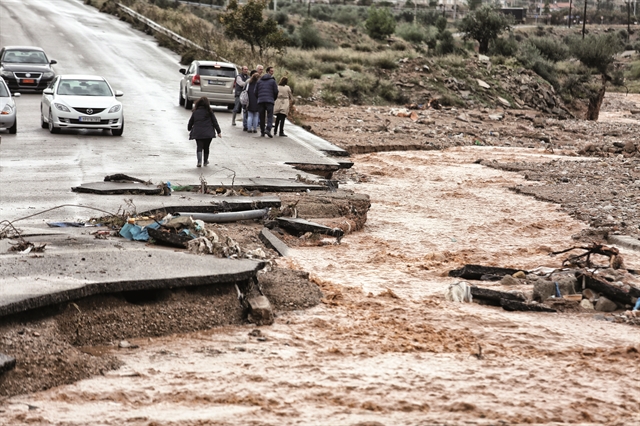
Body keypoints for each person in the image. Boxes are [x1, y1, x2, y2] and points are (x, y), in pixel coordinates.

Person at [187, 97, 221, 167]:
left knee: (199, 146)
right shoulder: (209, 112)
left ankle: (199, 161)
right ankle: (205, 161)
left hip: (198, 132)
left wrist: (189, 128)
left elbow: (191, 121)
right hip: (208, 133)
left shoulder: (195, 112)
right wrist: (219, 131)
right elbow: (215, 122)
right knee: (206, 147)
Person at [255, 66, 278, 138]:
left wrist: (259, 98)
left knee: (261, 116)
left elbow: (255, 91)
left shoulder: (259, 81)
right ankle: (268, 129)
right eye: (271, 71)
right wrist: (273, 98)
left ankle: (262, 131)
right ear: (268, 72)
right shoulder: (273, 81)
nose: (272, 72)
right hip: (269, 101)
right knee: (270, 116)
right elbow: (276, 91)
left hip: (261, 101)